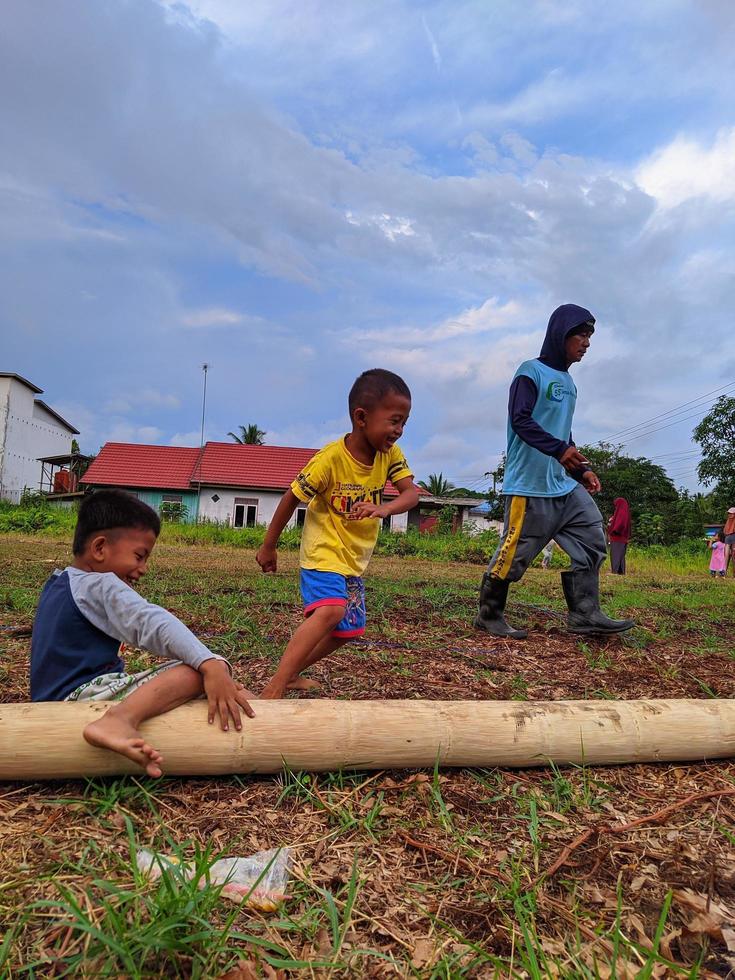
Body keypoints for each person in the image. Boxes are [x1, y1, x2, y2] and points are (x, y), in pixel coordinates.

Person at [30, 490, 255, 777]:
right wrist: (209, 663)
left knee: (219, 681)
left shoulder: (59, 582)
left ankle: (260, 707)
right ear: (100, 548)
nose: (143, 569)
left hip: (48, 700)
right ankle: (119, 720)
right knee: (204, 670)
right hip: (83, 698)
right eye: (139, 556)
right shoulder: (99, 585)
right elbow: (152, 623)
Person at [256, 368, 419, 698]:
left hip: (353, 560)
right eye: (394, 421)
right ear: (362, 417)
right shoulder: (330, 459)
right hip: (323, 552)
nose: (399, 431)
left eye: (404, 423)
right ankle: (274, 687)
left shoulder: (390, 457)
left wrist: (384, 508)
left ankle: (290, 674)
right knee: (331, 610)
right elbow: (291, 498)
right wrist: (269, 546)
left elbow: (411, 494)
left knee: (348, 631)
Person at [475, 304, 635, 639]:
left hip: (562, 486)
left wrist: (582, 470)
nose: (587, 343)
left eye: (590, 336)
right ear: (559, 334)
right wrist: (560, 450)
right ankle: (489, 616)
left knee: (593, 537)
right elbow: (521, 420)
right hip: (529, 487)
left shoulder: (569, 383)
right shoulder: (529, 372)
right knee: (513, 556)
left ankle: (585, 614)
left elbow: (564, 433)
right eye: (581, 334)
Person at [607, 497, 631, 574]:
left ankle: (615, 571)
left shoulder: (621, 512)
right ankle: (621, 571)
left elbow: (620, 524)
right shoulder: (625, 512)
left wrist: (613, 530)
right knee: (620, 555)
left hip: (617, 537)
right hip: (623, 538)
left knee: (615, 554)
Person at [724, 507, 735, 576]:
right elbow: (725, 531)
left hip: (734, 537)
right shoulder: (728, 521)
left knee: (734, 556)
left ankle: (734, 574)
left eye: (731, 513)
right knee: (726, 556)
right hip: (727, 538)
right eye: (729, 513)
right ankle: (724, 573)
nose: (730, 515)